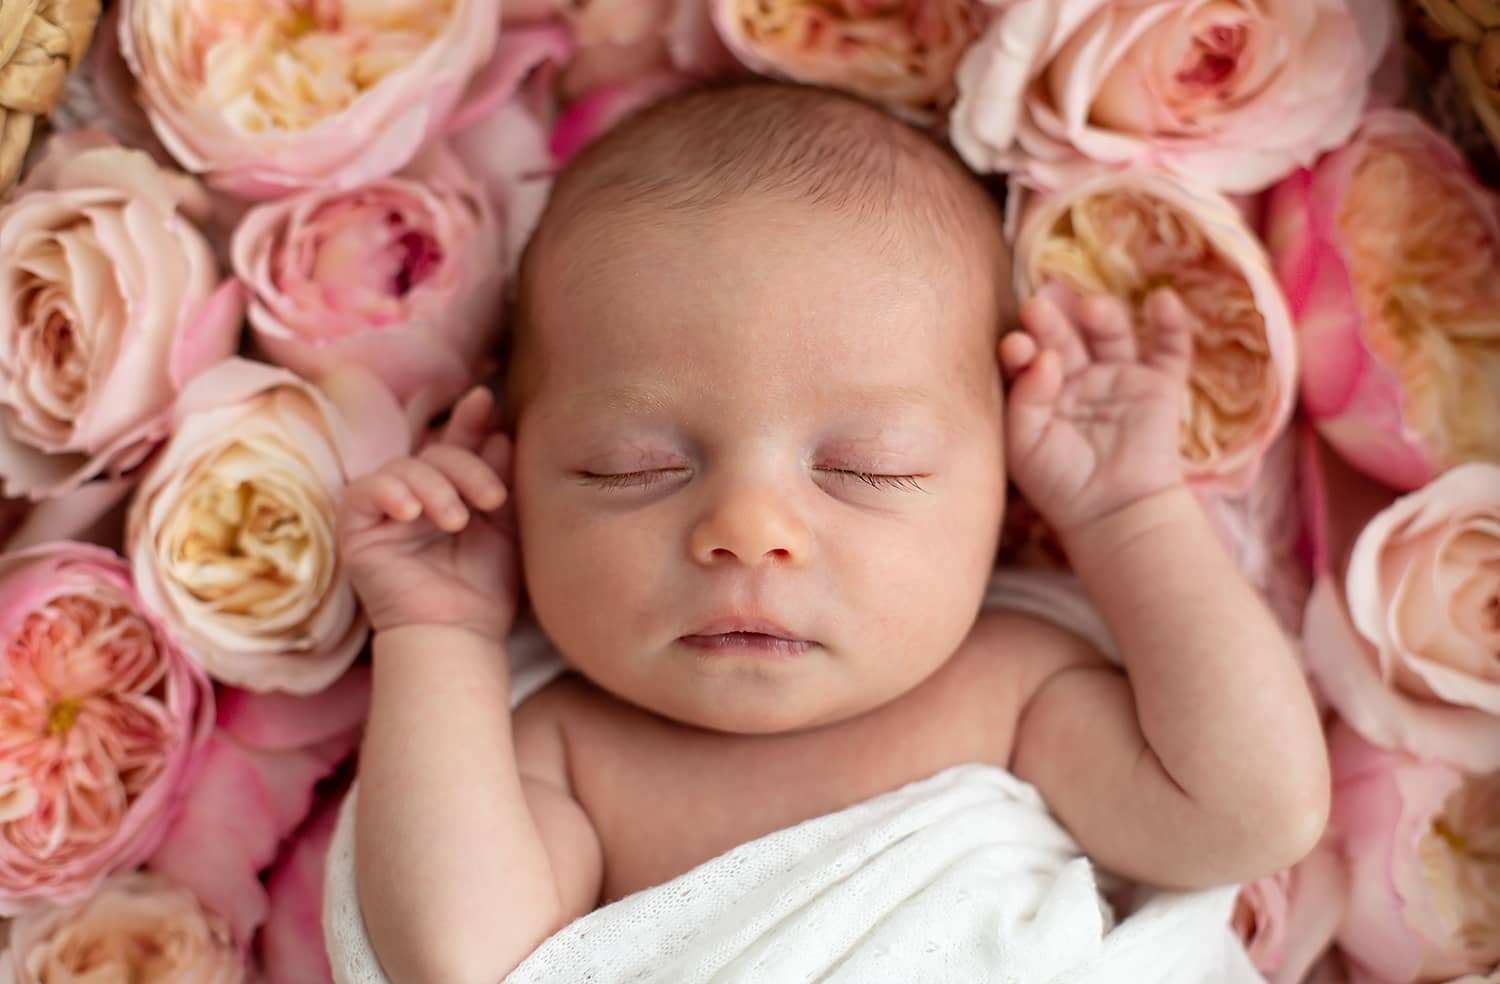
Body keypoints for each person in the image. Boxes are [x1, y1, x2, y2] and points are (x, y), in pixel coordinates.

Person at [336, 81, 1329, 984]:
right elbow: (455, 957)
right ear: (519, 476)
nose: (749, 532)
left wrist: (1129, 515)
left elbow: (1257, 810)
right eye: (633, 466)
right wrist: (441, 634)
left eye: (869, 467)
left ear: (1001, 493)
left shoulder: (1015, 690)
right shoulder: (566, 751)